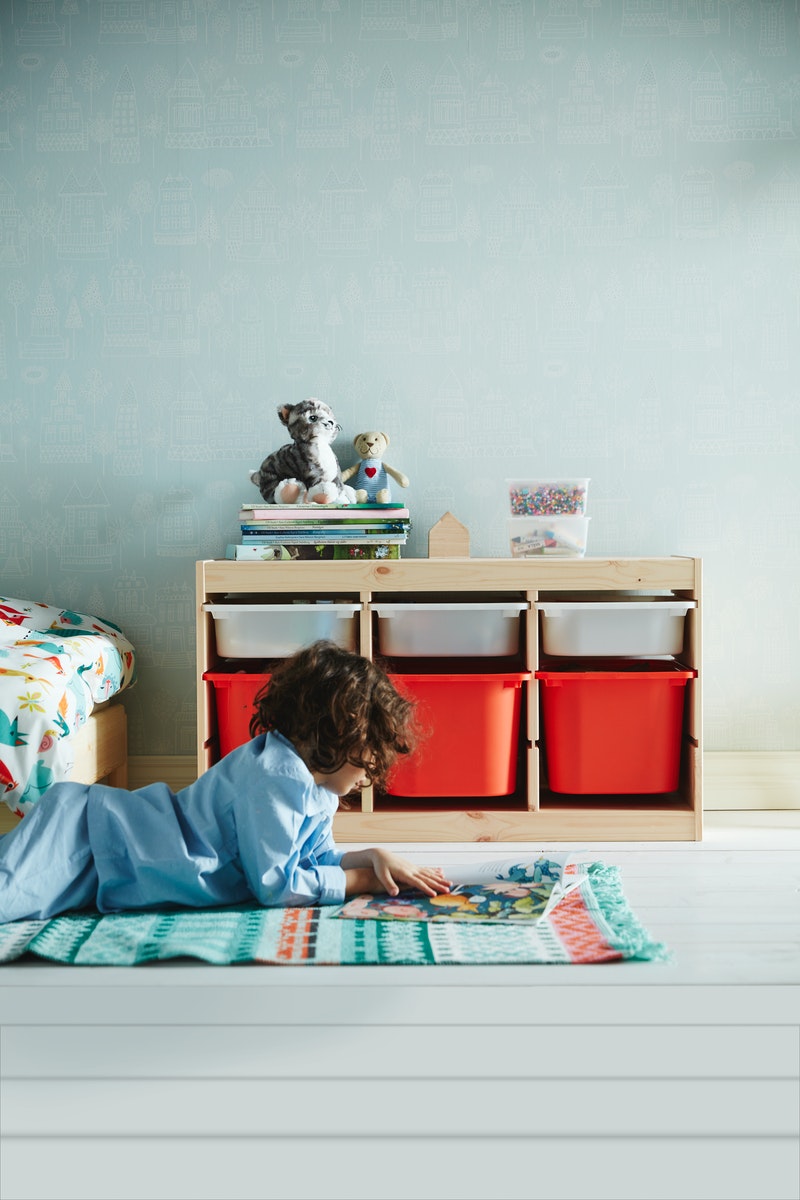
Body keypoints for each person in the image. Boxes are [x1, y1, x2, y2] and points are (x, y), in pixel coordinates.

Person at [0, 640, 451, 923]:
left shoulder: (316, 787)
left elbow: (309, 860)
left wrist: (371, 856)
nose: (372, 769)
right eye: (369, 753)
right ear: (334, 737)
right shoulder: (277, 776)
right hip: (91, 836)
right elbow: (278, 885)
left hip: (114, 864)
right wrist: (362, 881)